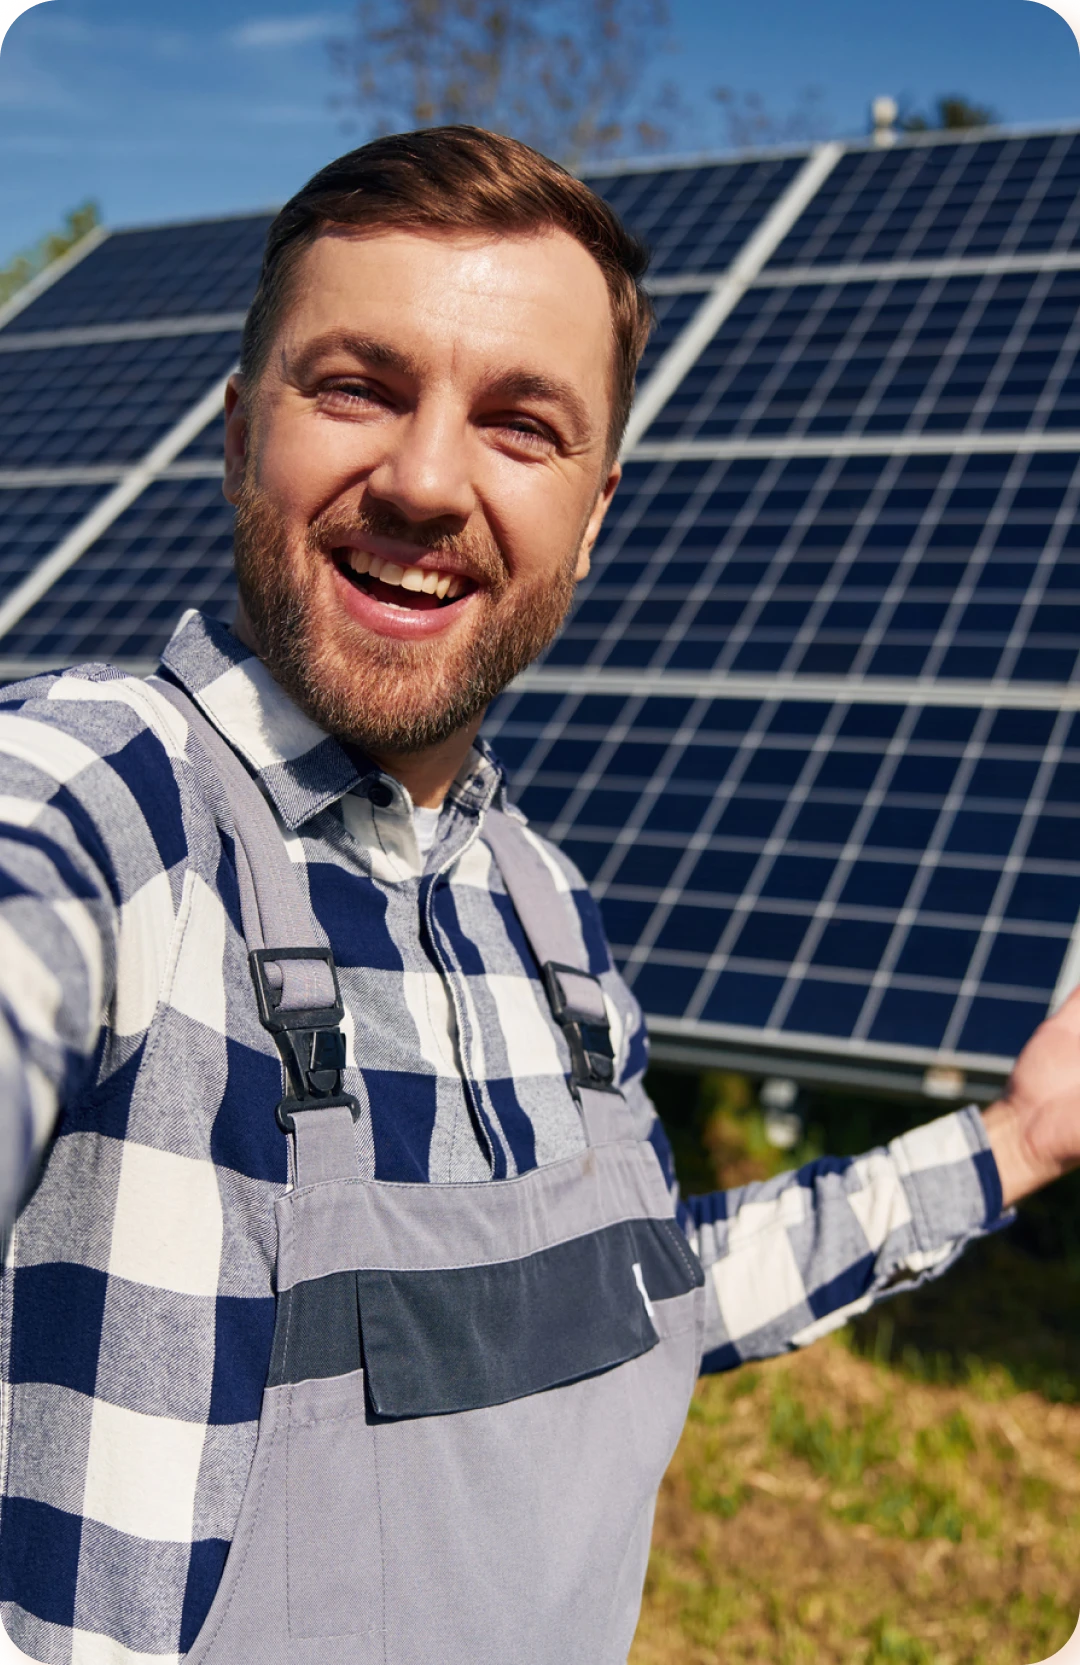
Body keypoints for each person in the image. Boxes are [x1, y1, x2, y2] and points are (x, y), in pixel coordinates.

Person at [0, 126, 1077, 1665]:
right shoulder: (107, 797)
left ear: (595, 512)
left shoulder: (545, 911)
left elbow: (652, 1296)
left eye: (520, 425)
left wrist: (1018, 1141)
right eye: (357, 388)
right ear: (239, 436)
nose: (427, 480)